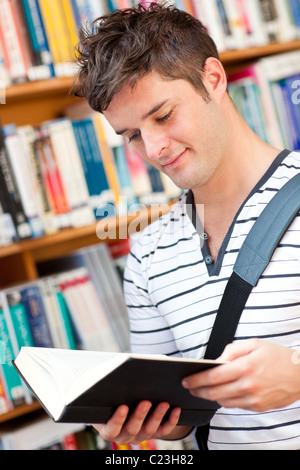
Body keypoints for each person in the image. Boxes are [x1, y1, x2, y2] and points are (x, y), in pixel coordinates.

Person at [73, 3, 300, 450]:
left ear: (213, 80)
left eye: (162, 115)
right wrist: (140, 418)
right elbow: (179, 416)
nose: (154, 148)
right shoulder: (148, 254)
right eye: (133, 136)